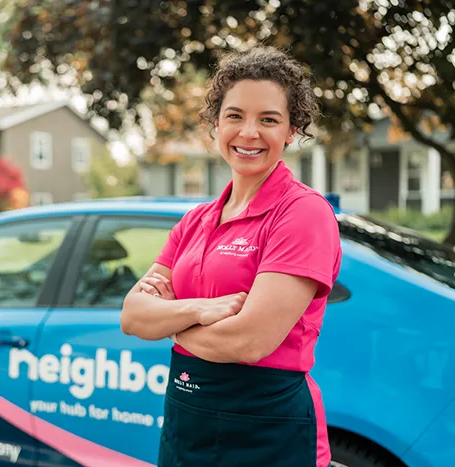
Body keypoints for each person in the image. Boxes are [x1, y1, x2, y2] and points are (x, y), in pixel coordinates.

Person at [120, 46, 341, 467]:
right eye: (235, 116)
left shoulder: (303, 213)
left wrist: (170, 324)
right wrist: (203, 309)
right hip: (187, 423)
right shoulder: (196, 220)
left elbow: (250, 341)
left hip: (268, 429)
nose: (249, 132)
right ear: (216, 124)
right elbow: (132, 315)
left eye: (269, 120)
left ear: (292, 130)